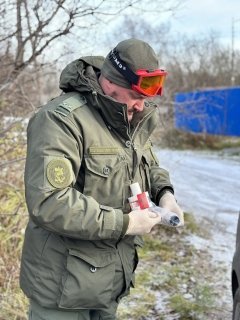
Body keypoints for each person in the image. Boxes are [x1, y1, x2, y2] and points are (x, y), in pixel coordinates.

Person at [20, 38, 184, 320]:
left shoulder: (128, 119)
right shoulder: (61, 120)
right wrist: (126, 223)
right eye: (136, 97)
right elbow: (49, 202)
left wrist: (165, 194)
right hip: (62, 291)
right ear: (109, 84)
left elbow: (146, 163)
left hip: (108, 283)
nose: (141, 107)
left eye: (145, 100)